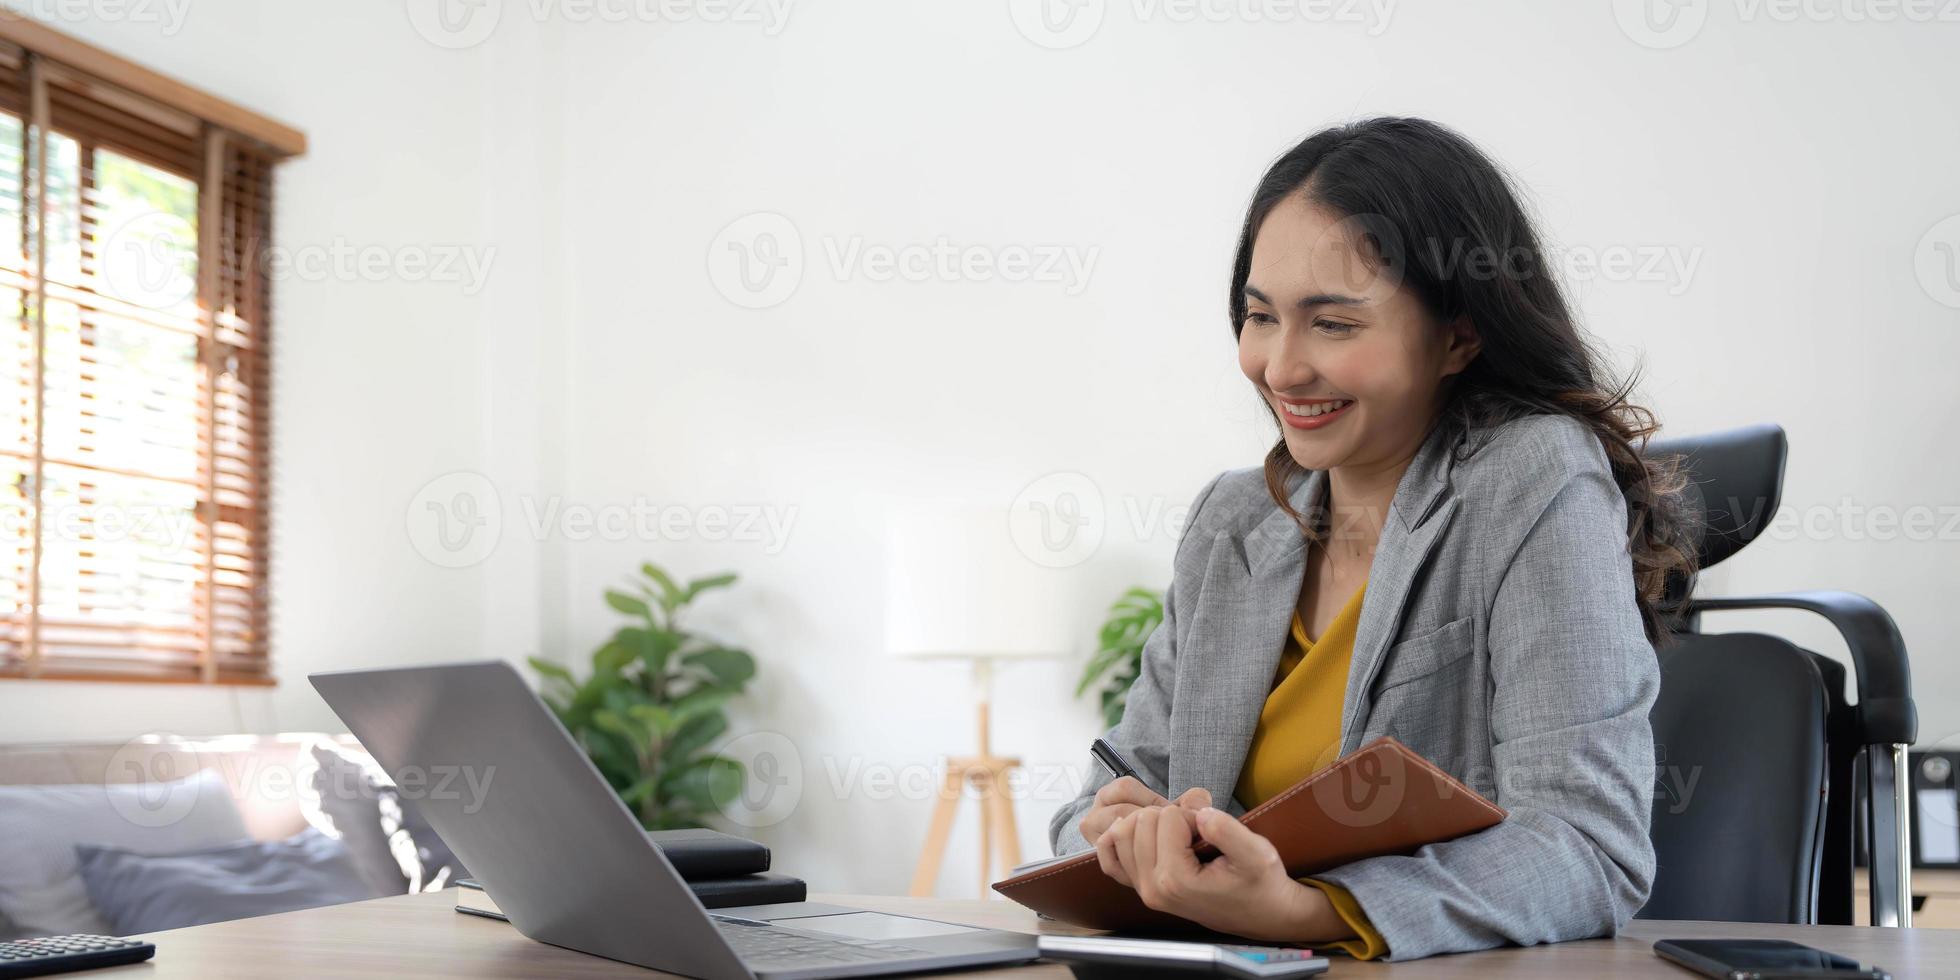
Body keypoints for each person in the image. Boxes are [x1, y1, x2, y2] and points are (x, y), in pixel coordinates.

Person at [1044, 116, 1698, 961]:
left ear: (1460, 334)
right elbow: (1103, 797)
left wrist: (1307, 912)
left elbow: (1586, 847)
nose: (1279, 368)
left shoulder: (1533, 478)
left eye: (1334, 324)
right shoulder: (1232, 522)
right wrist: (1112, 837)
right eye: (1259, 316)